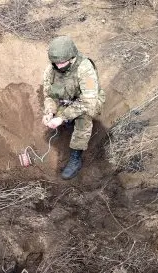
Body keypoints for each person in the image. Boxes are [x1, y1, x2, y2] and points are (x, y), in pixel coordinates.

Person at [42, 35, 106, 180]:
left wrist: (62, 117)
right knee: (61, 112)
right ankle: (68, 121)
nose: (58, 66)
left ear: (72, 57)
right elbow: (49, 96)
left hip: (87, 101)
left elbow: (89, 100)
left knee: (84, 119)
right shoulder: (50, 70)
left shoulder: (86, 69)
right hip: (67, 99)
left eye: (62, 62)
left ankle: (76, 157)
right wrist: (50, 112)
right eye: (55, 62)